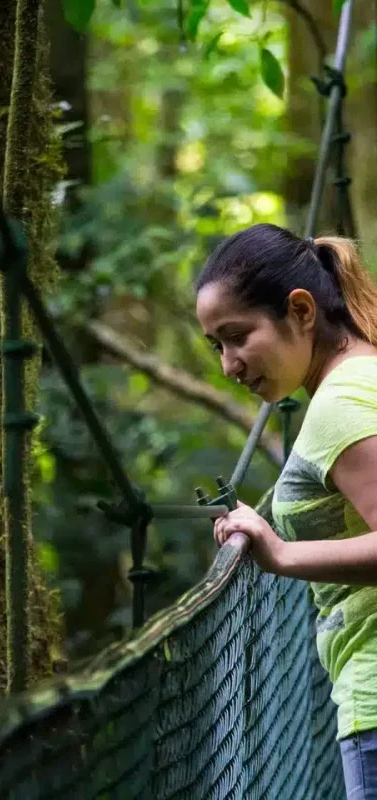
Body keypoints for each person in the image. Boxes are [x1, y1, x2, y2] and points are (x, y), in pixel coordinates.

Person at [195, 223, 377, 800]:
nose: (229, 364)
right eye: (216, 345)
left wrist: (281, 552)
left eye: (237, 336)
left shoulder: (339, 404)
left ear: (300, 311)